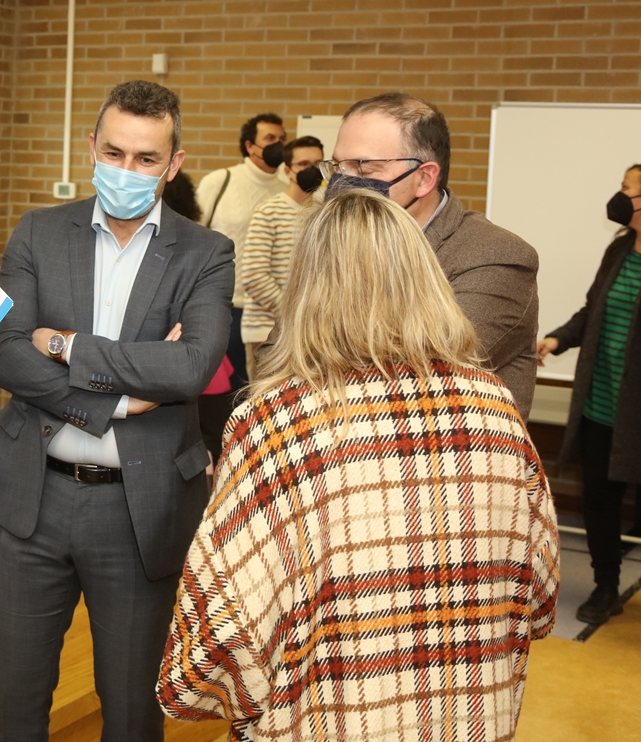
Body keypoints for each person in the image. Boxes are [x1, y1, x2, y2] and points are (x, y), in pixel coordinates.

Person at [160, 190, 560, 740]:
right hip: (471, 716)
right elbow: (537, 596)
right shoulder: (495, 409)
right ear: (425, 279)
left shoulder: (278, 423)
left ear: (308, 290)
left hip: (325, 718)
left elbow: (220, 633)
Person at [0, 80, 233, 742]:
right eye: (114, 151)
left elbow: (191, 368)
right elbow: (5, 355)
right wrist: (120, 397)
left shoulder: (206, 254)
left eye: (146, 158)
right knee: (14, 699)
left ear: (173, 164)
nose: (126, 169)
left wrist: (65, 345)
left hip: (139, 508)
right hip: (33, 500)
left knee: (129, 708)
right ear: (91, 147)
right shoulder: (39, 230)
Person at [539, 160, 641, 623]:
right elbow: (593, 310)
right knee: (599, 503)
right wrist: (557, 338)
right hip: (601, 402)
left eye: (626, 187)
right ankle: (607, 587)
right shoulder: (620, 249)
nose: (618, 195)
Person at [326, 93, 540, 419]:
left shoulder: (495, 256)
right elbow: (278, 351)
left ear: (424, 177)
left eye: (364, 166)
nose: (344, 180)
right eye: (338, 165)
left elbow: (428, 377)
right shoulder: (336, 243)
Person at [194, 113, 288, 451]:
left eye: (282, 139)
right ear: (250, 145)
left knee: (259, 392)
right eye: (271, 140)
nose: (279, 146)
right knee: (224, 396)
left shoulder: (286, 190)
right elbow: (194, 234)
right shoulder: (221, 181)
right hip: (224, 307)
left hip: (269, 312)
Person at [238, 136, 323, 362]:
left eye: (317, 164)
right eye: (304, 164)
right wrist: (293, 314)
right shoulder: (268, 211)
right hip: (267, 332)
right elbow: (254, 276)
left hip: (313, 334)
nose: (311, 170)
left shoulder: (325, 214)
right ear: (287, 171)